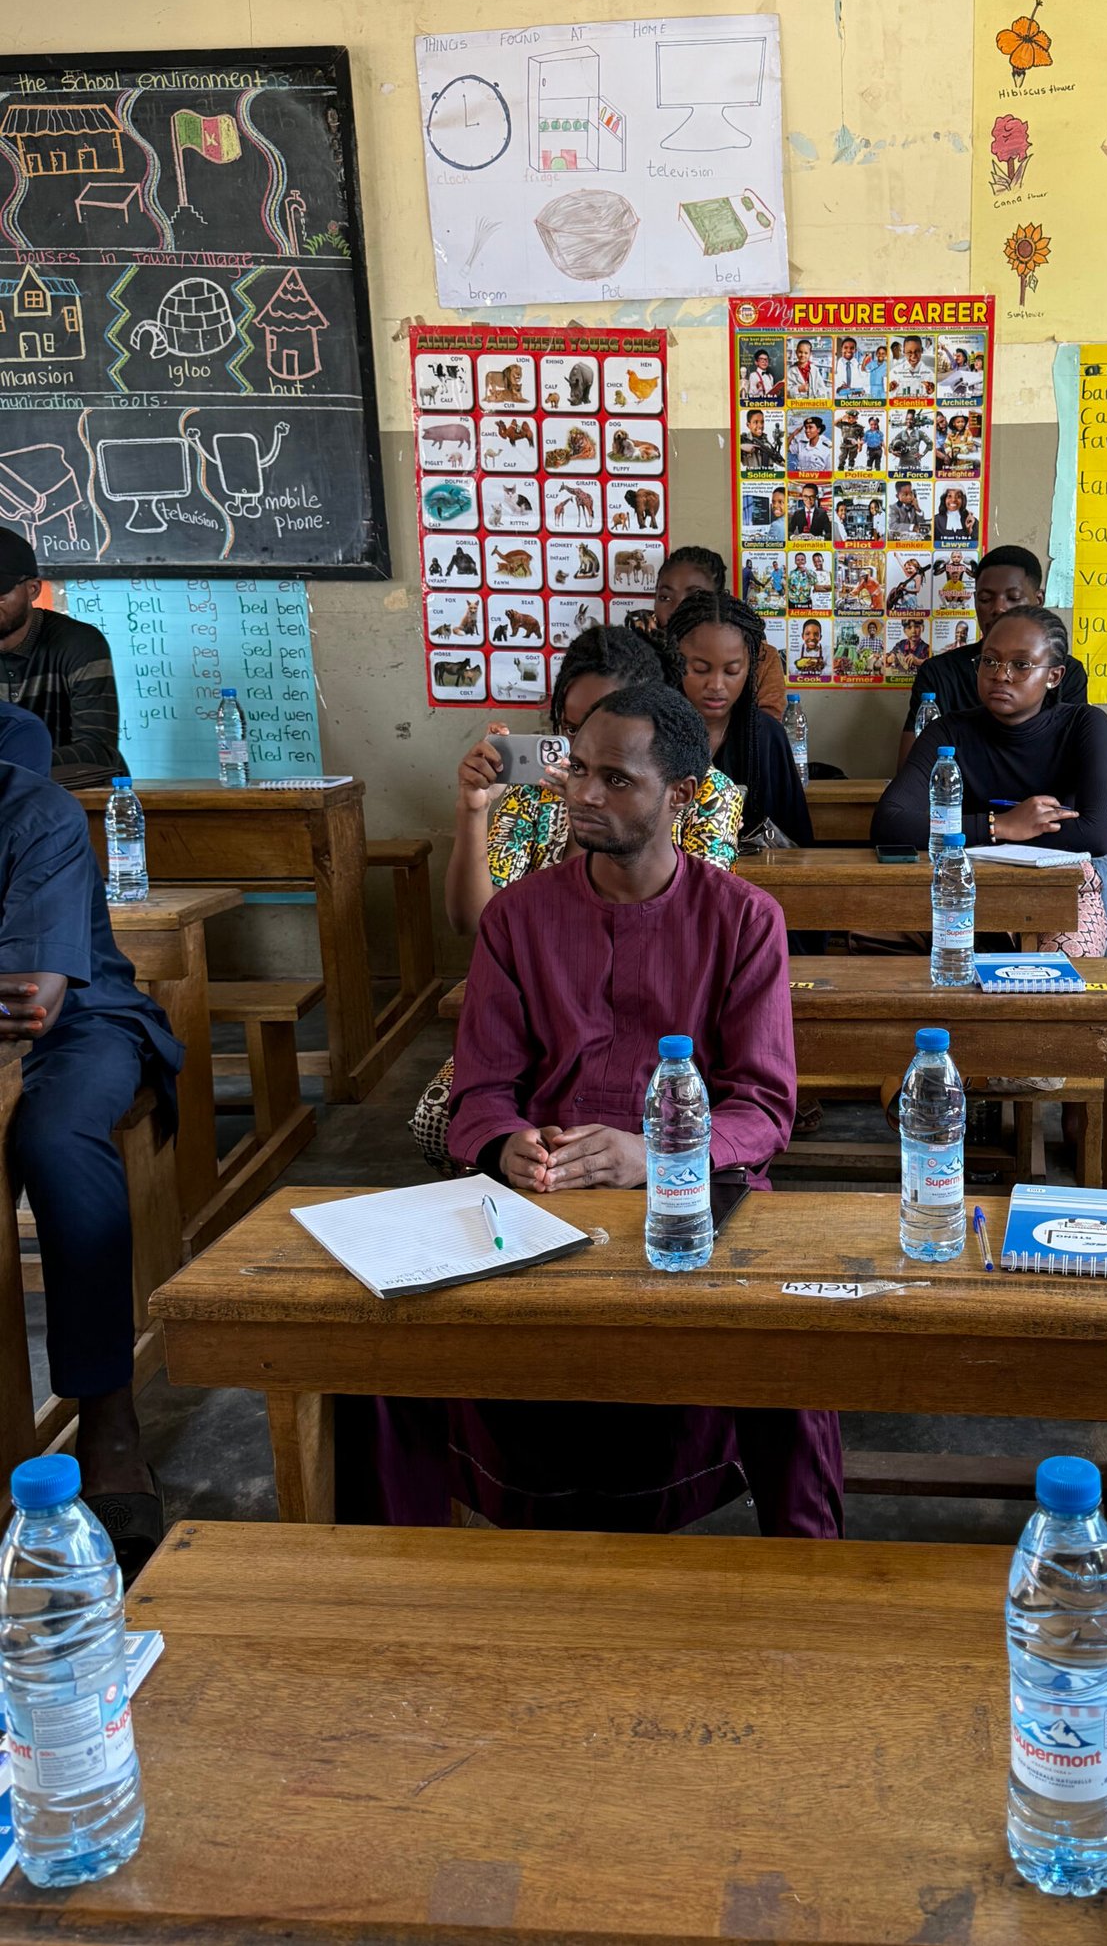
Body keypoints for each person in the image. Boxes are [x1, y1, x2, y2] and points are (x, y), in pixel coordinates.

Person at [355, 685, 843, 1537]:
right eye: (578, 769)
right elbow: (479, 1093)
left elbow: (763, 1106)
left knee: (793, 1340)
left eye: (616, 780)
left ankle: (814, 1584)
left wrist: (657, 1155)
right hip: (537, 1199)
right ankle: (400, 1584)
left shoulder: (743, 920)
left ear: (681, 797)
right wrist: (506, 1144)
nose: (584, 793)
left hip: (697, 1196)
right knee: (383, 1339)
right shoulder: (517, 917)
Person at [413, 624, 743, 1170]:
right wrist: (475, 810)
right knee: (455, 1119)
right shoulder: (534, 802)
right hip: (547, 1012)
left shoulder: (705, 800)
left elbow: (679, 923)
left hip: (665, 1020)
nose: (578, 758)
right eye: (574, 732)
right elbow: (480, 920)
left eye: (612, 757)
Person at [0, 729, 182, 1572]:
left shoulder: (31, 810)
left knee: (54, 1136)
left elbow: (29, 1000)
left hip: (79, 1026)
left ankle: (105, 1410)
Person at [874, 606, 1107, 958]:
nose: (1000, 675)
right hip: (968, 884)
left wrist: (981, 832)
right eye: (989, 661)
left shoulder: (1085, 725)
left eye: (1021, 665)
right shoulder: (947, 731)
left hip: (1064, 884)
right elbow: (890, 821)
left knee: (1063, 992)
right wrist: (1001, 826)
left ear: (1054, 676)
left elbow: (1098, 833)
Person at [896, 545, 1086, 765]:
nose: (999, 609)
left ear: (1039, 600)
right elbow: (911, 771)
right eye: (985, 599)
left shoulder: (1067, 673)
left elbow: (1073, 766)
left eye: (1013, 598)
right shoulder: (939, 672)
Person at [666, 590, 813, 845]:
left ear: (749, 668)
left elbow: (798, 847)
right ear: (676, 662)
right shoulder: (651, 733)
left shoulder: (766, 737)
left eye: (732, 670)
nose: (716, 685)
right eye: (700, 669)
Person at [0, 528, 126, 787]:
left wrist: (12, 762)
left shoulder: (79, 645)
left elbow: (99, 751)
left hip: (77, 801)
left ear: (33, 589)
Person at [651, 545, 785, 717]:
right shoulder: (643, 657)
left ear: (718, 602)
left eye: (694, 598)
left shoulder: (760, 658)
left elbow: (767, 727)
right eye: (665, 598)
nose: (678, 608)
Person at [739, 407, 782, 474]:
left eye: (762, 422)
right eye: (755, 422)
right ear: (748, 425)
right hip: (751, 477)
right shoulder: (742, 439)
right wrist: (741, 447)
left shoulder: (767, 442)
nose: (760, 425)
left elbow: (780, 461)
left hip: (769, 477)